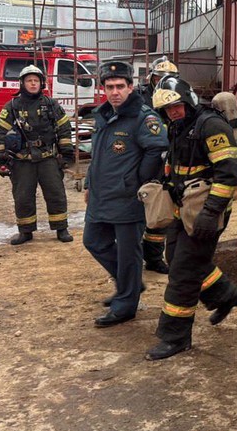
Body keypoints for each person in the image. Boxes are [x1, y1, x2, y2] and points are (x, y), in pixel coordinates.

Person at [145, 76, 237, 361]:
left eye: (176, 106)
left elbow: (229, 172)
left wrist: (211, 213)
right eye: (167, 109)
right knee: (177, 256)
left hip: (205, 213)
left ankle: (175, 337)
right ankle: (226, 295)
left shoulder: (210, 125)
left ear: (187, 99)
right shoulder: (178, 126)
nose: (173, 112)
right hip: (183, 209)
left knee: (183, 273)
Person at [84, 61, 169, 328]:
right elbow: (97, 155)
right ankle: (129, 285)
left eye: (120, 86)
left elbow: (157, 149)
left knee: (129, 252)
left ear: (131, 87)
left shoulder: (144, 117)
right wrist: (88, 184)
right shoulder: (103, 114)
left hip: (127, 197)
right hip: (101, 195)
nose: (115, 92)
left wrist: (138, 181)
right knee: (93, 241)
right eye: (110, 87)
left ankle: (125, 305)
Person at [0, 65, 74, 245]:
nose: (33, 84)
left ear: (41, 83)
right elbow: (0, 133)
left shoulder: (51, 105)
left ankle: (61, 228)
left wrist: (66, 155)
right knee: (23, 197)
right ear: (22, 83)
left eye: (36, 81)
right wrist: (1, 160)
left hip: (48, 159)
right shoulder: (12, 107)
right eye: (29, 81)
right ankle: (25, 231)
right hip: (22, 162)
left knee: (56, 194)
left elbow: (64, 129)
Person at [135, 56, 180, 275]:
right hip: (139, 160)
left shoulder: (178, 96)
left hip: (165, 161)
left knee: (160, 208)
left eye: (168, 78)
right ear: (151, 77)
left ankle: (153, 257)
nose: (163, 81)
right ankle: (131, 255)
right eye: (159, 77)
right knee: (134, 210)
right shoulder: (138, 97)